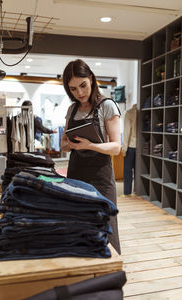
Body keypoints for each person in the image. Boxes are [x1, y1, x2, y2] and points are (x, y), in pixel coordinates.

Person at [60, 59, 121, 254]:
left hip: (101, 176)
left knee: (105, 225)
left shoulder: (107, 106)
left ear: (92, 79)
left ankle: (109, 275)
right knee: (78, 224)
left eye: (83, 85)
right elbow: (62, 144)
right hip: (76, 174)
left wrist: (90, 145)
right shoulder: (72, 109)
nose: (79, 93)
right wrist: (70, 144)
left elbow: (116, 147)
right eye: (73, 89)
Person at [121, 103, 137, 195]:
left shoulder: (129, 112)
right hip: (143, 147)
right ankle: (137, 192)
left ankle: (127, 193)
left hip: (131, 146)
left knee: (128, 172)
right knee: (138, 172)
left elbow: (127, 132)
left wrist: (124, 148)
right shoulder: (145, 111)